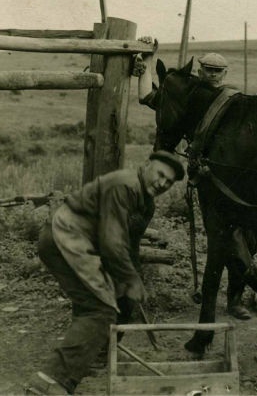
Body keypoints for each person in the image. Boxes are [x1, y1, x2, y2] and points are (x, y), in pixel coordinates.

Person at [25, 151, 185, 395]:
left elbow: (129, 244)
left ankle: (88, 357)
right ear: (146, 165)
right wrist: (130, 279)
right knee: (99, 309)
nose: (162, 183)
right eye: (160, 174)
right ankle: (51, 381)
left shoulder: (145, 202)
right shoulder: (125, 185)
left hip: (81, 244)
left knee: (107, 301)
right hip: (65, 238)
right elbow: (112, 241)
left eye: (169, 182)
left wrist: (132, 280)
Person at [133, 38, 257, 320]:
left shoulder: (233, 101)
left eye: (218, 72)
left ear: (225, 74)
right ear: (200, 71)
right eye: (208, 70)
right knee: (227, 240)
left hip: (241, 180)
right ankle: (243, 297)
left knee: (248, 240)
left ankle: (235, 299)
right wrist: (146, 61)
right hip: (210, 181)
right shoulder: (188, 97)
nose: (213, 75)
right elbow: (148, 97)